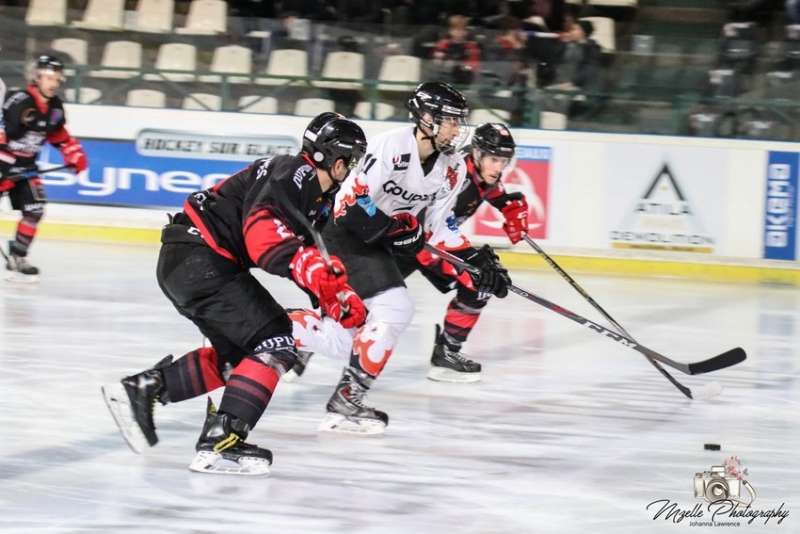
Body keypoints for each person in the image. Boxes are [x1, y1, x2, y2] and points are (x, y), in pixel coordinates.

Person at [101, 112, 369, 476]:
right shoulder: (296, 173)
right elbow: (263, 238)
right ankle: (222, 440)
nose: (351, 169)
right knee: (276, 343)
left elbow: (308, 261)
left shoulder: (310, 194)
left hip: (189, 261)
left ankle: (145, 389)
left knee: (240, 361)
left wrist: (336, 297)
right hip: (202, 260)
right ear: (338, 161)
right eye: (351, 161)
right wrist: (314, 272)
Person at [311, 82, 512, 436]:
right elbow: (348, 206)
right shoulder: (389, 147)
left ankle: (275, 338)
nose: (456, 128)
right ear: (425, 117)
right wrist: (394, 229)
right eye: (449, 120)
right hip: (345, 235)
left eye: (458, 120)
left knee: (345, 332)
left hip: (382, 242)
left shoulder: (452, 167)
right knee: (394, 309)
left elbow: (438, 226)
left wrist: (476, 259)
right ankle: (344, 401)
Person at [286, 123, 524, 385]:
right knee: (378, 303)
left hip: (413, 243)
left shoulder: (476, 173)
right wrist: (471, 260)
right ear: (477, 154)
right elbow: (433, 223)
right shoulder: (455, 174)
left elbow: (487, 192)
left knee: (370, 303)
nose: (498, 167)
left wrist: (509, 205)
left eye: (504, 161)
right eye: (493, 159)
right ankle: (305, 337)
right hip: (408, 243)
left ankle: (310, 340)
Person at [0, 54, 87, 282]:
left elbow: (60, 136)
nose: (53, 83)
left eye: (57, 79)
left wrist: (73, 154)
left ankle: (18, 257)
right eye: (49, 77)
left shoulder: (55, 107)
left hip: (26, 168)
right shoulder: (18, 100)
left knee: (35, 209)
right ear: (36, 77)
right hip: (3, 163)